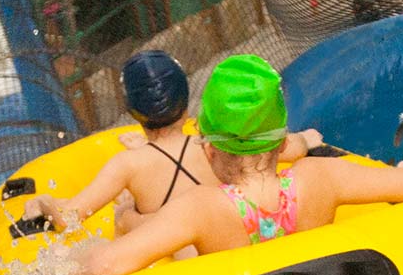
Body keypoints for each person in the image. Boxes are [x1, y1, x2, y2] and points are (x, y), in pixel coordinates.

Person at [79, 55, 403, 275]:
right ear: (282, 142)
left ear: (210, 149)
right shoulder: (320, 177)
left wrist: (121, 224)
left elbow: (103, 266)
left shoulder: (200, 209)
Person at [28, 48, 319, 232]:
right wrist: (306, 139)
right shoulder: (215, 146)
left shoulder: (128, 165)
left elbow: (69, 218)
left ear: (133, 111)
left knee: (123, 214)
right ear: (186, 101)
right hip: (224, 244)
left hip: (168, 263)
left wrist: (42, 202)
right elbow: (291, 148)